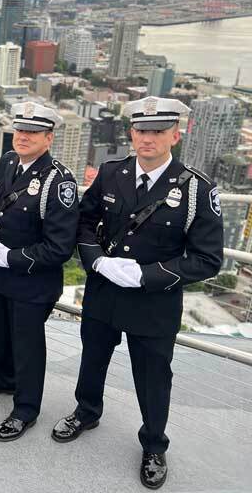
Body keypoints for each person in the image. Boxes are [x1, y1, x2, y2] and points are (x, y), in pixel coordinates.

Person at [51, 97, 223, 489]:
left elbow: (207, 259)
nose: (148, 138)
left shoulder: (196, 189)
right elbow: (85, 222)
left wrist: (146, 275)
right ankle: (86, 411)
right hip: (104, 291)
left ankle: (153, 445)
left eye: (158, 131)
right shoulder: (111, 174)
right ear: (131, 133)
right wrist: (97, 262)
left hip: (154, 303)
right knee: (92, 358)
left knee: (153, 376)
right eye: (142, 130)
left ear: (175, 135)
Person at [0, 102, 78, 441]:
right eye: (20, 130)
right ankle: (3, 378)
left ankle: (25, 409)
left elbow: (60, 247)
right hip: (1, 274)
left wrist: (10, 257)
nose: (23, 137)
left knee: (28, 346)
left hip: (33, 281)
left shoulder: (59, 182)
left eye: (32, 132)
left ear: (49, 137)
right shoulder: (6, 162)